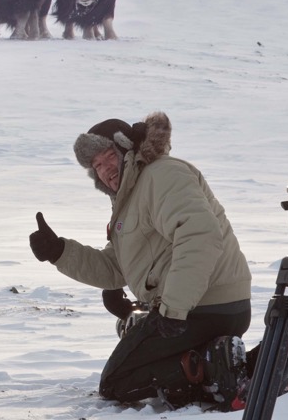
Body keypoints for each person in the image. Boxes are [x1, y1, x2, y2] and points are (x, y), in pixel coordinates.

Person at [28, 111, 253, 411]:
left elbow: (200, 234)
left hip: (203, 306)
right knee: (124, 377)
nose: (105, 169)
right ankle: (239, 364)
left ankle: (221, 372)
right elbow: (115, 268)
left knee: (119, 382)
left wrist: (172, 309)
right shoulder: (129, 198)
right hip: (193, 307)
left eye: (108, 157)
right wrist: (60, 252)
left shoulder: (161, 175)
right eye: (96, 166)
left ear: (127, 151)